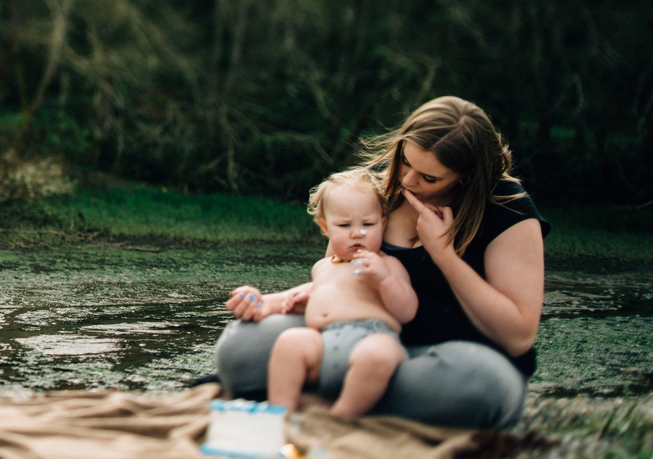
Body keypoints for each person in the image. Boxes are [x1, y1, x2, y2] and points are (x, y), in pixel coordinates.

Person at [218, 96, 548, 429]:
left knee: (481, 388)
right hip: (353, 341)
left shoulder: (509, 211)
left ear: (467, 176)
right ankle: (352, 399)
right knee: (240, 350)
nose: (407, 180)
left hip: (445, 359)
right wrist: (270, 302)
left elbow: (517, 336)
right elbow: (338, 275)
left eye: (429, 178)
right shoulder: (377, 185)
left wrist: (444, 255)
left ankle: (324, 400)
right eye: (405, 160)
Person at [258, 169, 416, 418]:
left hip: (372, 337)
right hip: (323, 343)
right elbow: (328, 294)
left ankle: (342, 416)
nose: (357, 233)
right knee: (290, 341)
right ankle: (280, 411)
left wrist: (384, 279)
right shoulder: (323, 266)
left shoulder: (388, 266)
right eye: (344, 225)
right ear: (326, 228)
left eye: (368, 224)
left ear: (383, 224)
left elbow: (407, 311)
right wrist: (304, 301)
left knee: (379, 353)